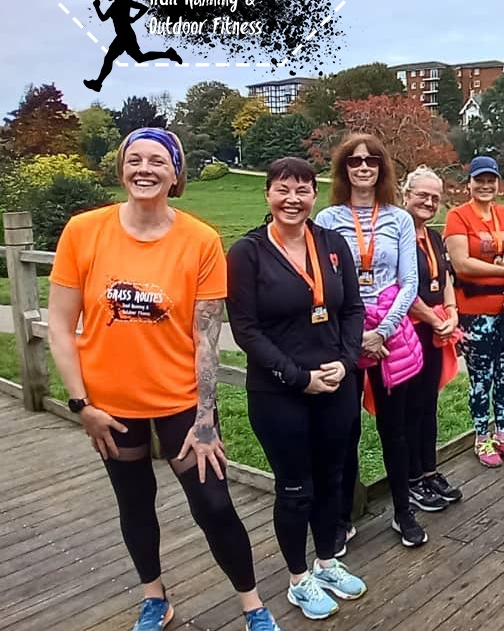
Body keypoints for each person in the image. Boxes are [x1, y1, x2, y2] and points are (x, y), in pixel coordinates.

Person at [47, 128, 282, 631]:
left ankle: (252, 603)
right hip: (109, 405)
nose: (144, 169)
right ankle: (155, 596)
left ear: (176, 174)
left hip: (181, 402)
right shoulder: (84, 231)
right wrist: (79, 403)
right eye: (134, 159)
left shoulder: (199, 240)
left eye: (157, 160)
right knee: (134, 501)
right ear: (120, 169)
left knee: (214, 504)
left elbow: (205, 337)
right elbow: (61, 328)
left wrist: (205, 420)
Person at [226, 158, 368, 620]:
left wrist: (346, 364)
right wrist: (297, 376)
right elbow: (245, 330)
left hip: (336, 382)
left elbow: (353, 310)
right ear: (267, 194)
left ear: (314, 195)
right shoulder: (247, 253)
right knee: (295, 487)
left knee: (332, 479)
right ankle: (297, 578)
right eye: (283, 189)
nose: (293, 199)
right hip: (279, 391)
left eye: (303, 190)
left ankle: (326, 561)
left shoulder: (332, 244)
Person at [314, 134, 425, 548]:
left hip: (388, 336)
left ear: (382, 168)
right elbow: (325, 284)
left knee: (393, 431)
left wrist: (382, 332)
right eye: (355, 161)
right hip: (346, 336)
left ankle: (402, 510)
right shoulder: (327, 220)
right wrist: (355, 336)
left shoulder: (398, 219)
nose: (363, 168)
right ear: (344, 169)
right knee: (345, 432)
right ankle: (343, 517)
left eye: (371, 161)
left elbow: (408, 281)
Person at [444, 156, 504, 468]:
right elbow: (461, 263)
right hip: (475, 311)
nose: (485, 186)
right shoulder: (458, 217)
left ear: (497, 183)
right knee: (481, 379)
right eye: (479, 180)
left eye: (491, 180)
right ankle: (482, 437)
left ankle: (503, 433)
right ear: (469, 183)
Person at [400, 166, 464, 512]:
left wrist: (451, 313)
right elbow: (399, 285)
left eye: (434, 197)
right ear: (406, 194)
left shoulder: (434, 237)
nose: (428, 202)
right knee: (409, 409)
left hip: (436, 329)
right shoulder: (397, 235)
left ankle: (428, 471)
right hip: (409, 331)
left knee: (429, 404)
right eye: (422, 195)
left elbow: (447, 277)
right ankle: (410, 480)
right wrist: (431, 317)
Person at [83, 0, 182, 91]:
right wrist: (97, 7)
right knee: (138, 58)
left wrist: (134, 18)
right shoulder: (114, 5)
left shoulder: (124, 3)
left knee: (110, 58)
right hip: (123, 36)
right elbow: (103, 18)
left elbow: (144, 8)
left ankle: (98, 83)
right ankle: (168, 54)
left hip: (125, 36)